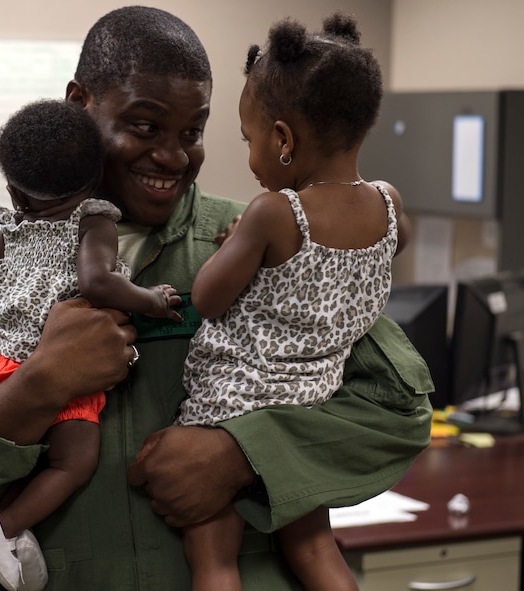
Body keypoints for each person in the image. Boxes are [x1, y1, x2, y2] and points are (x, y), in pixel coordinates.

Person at [0, 6, 434, 590]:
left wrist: (240, 454)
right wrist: (37, 385)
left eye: (192, 132)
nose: (173, 157)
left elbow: (395, 409)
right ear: (79, 105)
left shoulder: (266, 245)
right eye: (144, 127)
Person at [176, 14, 403, 591]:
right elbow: (387, 251)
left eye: (249, 139)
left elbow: (207, 299)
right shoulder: (388, 202)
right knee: (316, 549)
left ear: (282, 139)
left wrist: (236, 248)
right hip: (309, 408)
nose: (251, 152)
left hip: (231, 406)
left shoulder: (276, 214)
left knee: (215, 559)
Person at [0, 98, 182, 591]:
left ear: (16, 193)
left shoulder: (15, 224)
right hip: (62, 367)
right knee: (74, 460)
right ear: (95, 179)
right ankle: (2, 528)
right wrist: (149, 300)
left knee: (24, 458)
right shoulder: (93, 218)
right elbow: (97, 283)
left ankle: (18, 532)